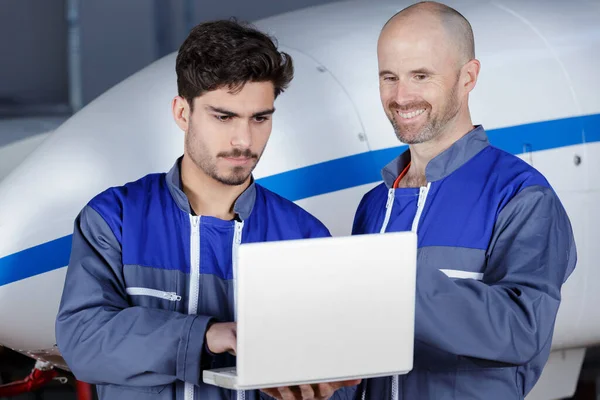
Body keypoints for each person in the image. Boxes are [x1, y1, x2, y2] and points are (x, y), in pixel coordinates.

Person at [55, 19, 358, 400]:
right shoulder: (115, 218)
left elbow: (335, 375)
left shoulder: (303, 235)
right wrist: (207, 335)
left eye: (260, 118)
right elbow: (83, 340)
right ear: (183, 113)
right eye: (224, 116)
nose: (244, 140)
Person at [351, 2, 577, 399]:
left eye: (421, 75)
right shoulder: (374, 206)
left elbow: (521, 330)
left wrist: (396, 285)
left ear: (467, 77)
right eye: (389, 77)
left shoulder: (522, 197)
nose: (401, 96)